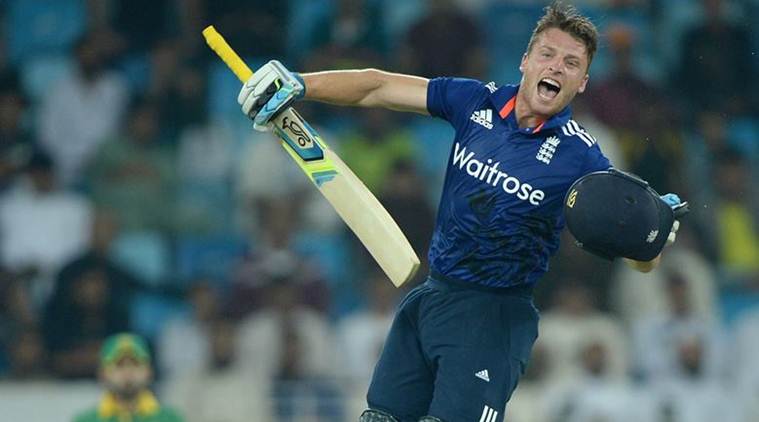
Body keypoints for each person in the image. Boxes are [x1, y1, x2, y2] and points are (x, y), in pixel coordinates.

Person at [235, 3, 682, 421]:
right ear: (525, 60)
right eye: (547, 54)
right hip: (431, 299)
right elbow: (378, 86)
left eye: (571, 63)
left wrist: (653, 238)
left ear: (582, 82)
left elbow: (640, 253)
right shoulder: (475, 101)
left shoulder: (583, 158)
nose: (556, 68)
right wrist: (301, 83)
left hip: (495, 321)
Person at [72, 333, 184, 422]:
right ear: (103, 374)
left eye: (135, 363)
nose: (128, 371)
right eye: (119, 365)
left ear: (149, 371)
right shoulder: (86, 420)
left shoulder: (170, 419)